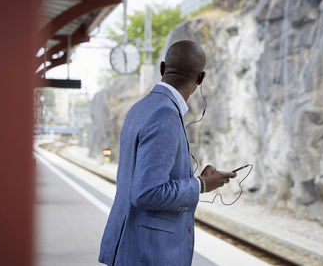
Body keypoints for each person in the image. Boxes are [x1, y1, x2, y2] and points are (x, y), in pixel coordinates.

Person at [98, 40, 236, 266]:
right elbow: (147, 192)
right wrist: (201, 184)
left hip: (130, 247)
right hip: (149, 254)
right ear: (200, 78)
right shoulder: (165, 114)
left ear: (162, 69)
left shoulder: (140, 108)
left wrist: (197, 180)